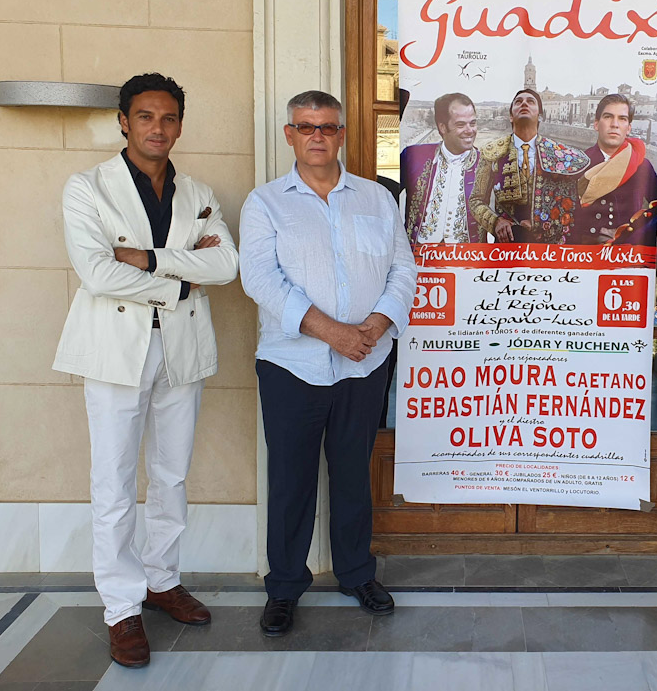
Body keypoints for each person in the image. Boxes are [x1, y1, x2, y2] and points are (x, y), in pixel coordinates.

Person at [53, 72, 239, 668]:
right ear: (124, 121)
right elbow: (99, 275)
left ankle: (161, 580)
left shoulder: (199, 191)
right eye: (146, 117)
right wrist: (184, 274)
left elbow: (229, 266)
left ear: (180, 124)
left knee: (171, 473)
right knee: (112, 483)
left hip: (180, 347)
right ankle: (121, 608)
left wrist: (152, 259)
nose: (158, 128)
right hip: (114, 349)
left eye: (169, 118)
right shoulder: (88, 188)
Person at [239, 90, 417, 637]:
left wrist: (378, 324)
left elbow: (403, 268)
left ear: (342, 134)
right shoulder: (265, 203)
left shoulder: (376, 198)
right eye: (306, 126)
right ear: (289, 134)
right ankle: (285, 587)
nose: (317, 136)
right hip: (292, 365)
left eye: (328, 127)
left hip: (365, 363)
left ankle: (357, 573)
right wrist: (332, 332)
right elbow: (261, 280)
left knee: (352, 476)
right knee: (290, 480)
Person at [470, 87, 590, 244]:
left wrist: (539, 224)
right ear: (511, 116)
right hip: (507, 245)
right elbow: (475, 201)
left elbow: (571, 207)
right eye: (518, 102)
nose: (524, 104)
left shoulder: (559, 154)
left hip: (548, 246)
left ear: (539, 116)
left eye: (530, 101)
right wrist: (496, 222)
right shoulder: (492, 152)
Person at [569, 93, 657, 245]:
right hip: (583, 253)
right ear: (596, 124)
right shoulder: (577, 163)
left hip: (627, 252)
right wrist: (595, 231)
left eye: (622, 119)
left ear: (629, 128)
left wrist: (632, 232)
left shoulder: (642, 166)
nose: (615, 124)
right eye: (608, 117)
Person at [401, 92, 482, 244]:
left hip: (469, 261)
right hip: (417, 259)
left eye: (472, 123)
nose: (469, 130)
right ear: (442, 127)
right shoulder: (413, 155)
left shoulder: (487, 163)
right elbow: (385, 198)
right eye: (460, 124)